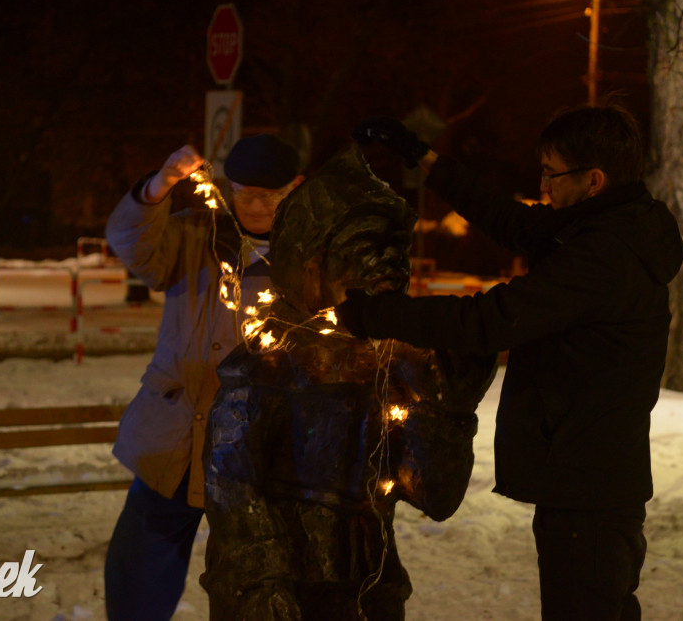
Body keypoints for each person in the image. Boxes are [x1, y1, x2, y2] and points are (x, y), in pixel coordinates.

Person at [336, 105, 683, 620]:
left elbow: (491, 320)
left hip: (588, 486)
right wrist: (420, 155)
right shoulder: (606, 225)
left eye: (551, 173)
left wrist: (372, 312)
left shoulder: (603, 257)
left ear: (593, 180)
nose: (542, 185)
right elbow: (507, 217)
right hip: (586, 476)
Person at [200, 145, 498, 620]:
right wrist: (263, 589)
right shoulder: (265, 368)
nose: (386, 269)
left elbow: (435, 498)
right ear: (313, 266)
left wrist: (448, 411)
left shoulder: (397, 363)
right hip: (281, 590)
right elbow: (232, 490)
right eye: (366, 252)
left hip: (370, 587)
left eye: (392, 254)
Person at [103, 134, 303, 621]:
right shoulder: (195, 233)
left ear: (296, 187)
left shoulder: (311, 252)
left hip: (269, 444)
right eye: (243, 191)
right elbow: (129, 240)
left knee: (260, 577)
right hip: (178, 432)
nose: (254, 204)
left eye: (269, 194)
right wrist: (160, 186)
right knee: (141, 567)